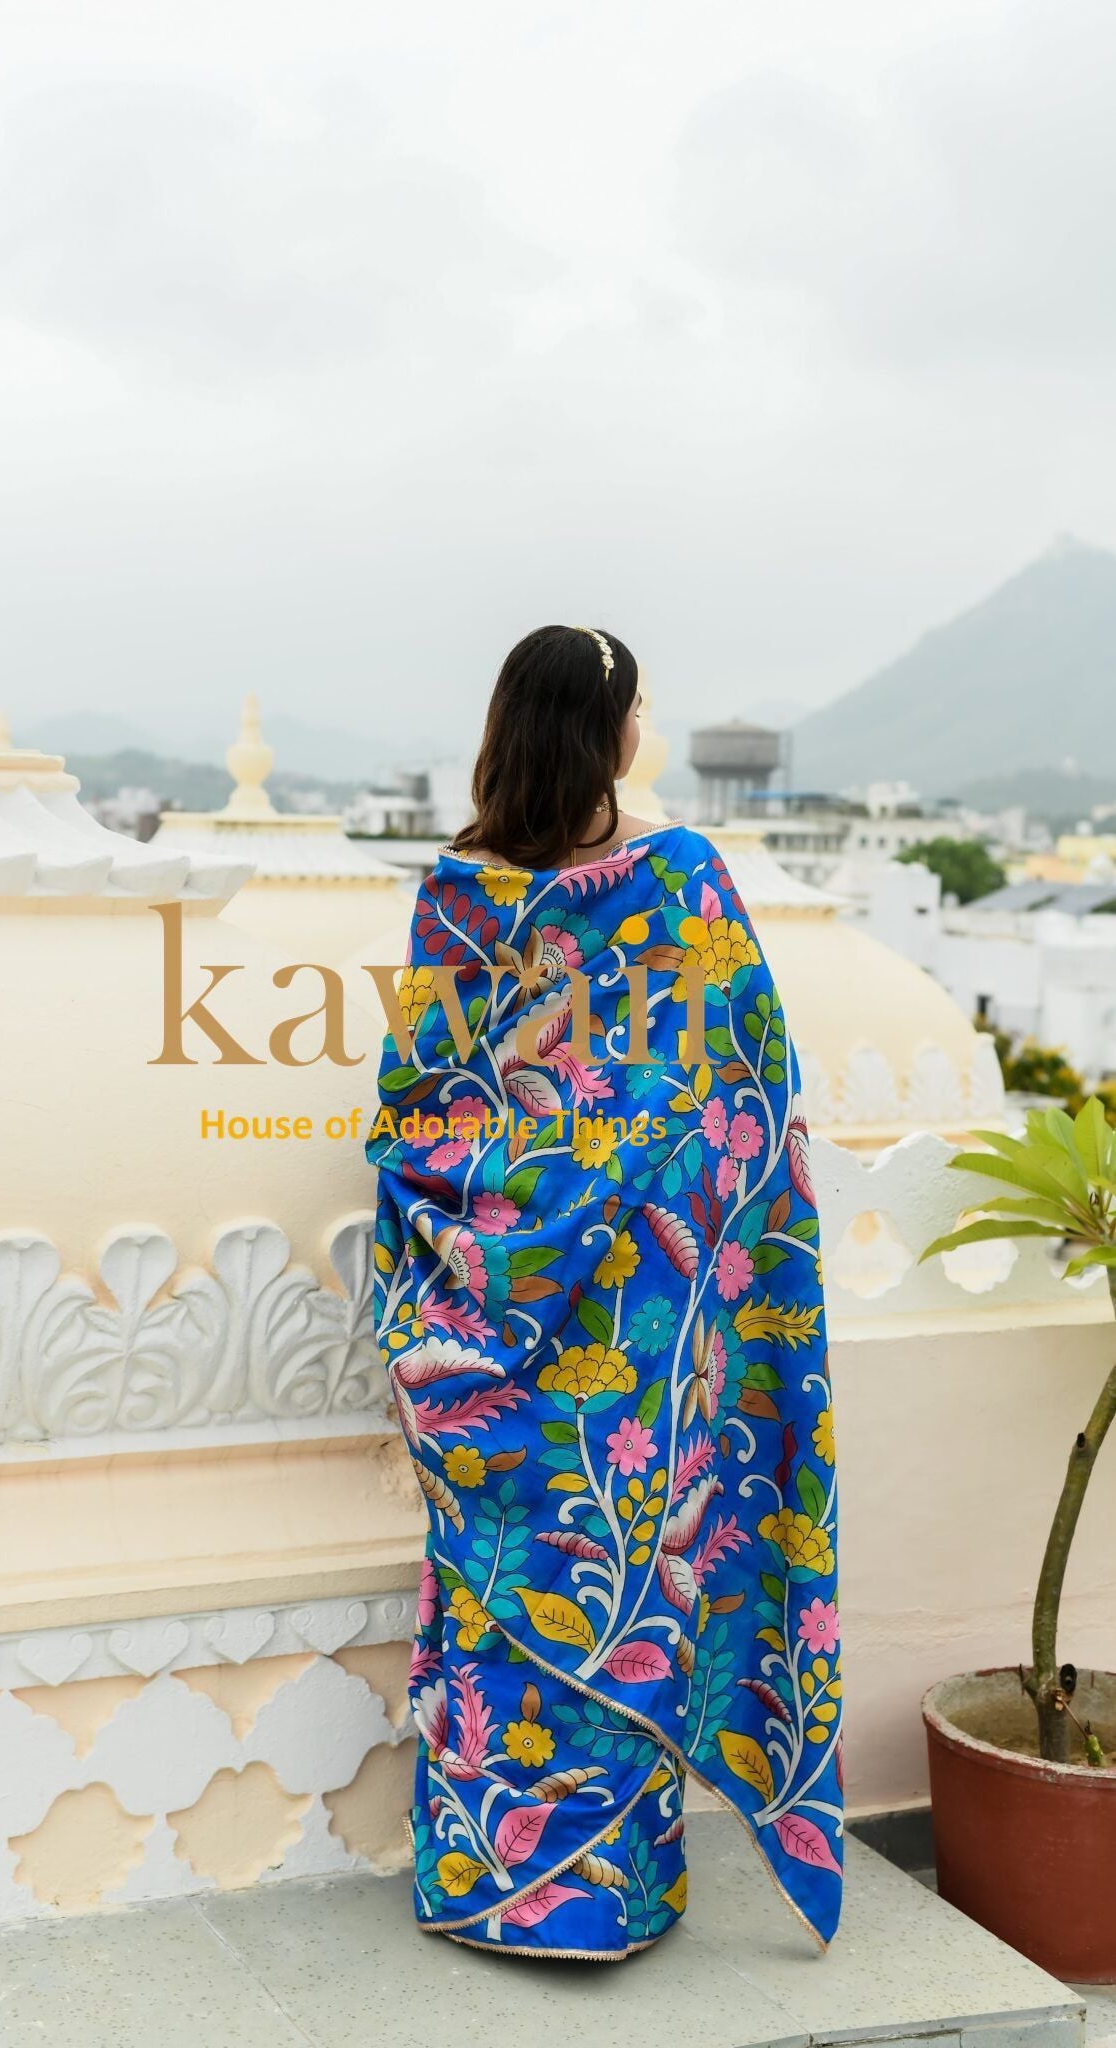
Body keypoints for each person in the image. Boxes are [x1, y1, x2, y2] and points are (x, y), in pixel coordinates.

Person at [366, 624, 842, 1960]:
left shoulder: (452, 892)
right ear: (610, 728)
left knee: (499, 1583)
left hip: (475, 1323)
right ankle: (602, 1899)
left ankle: (480, 1886)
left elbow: (422, 1106)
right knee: (620, 1571)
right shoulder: (679, 878)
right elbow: (740, 1086)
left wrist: (484, 1245)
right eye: (639, 708)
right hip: (635, 1322)